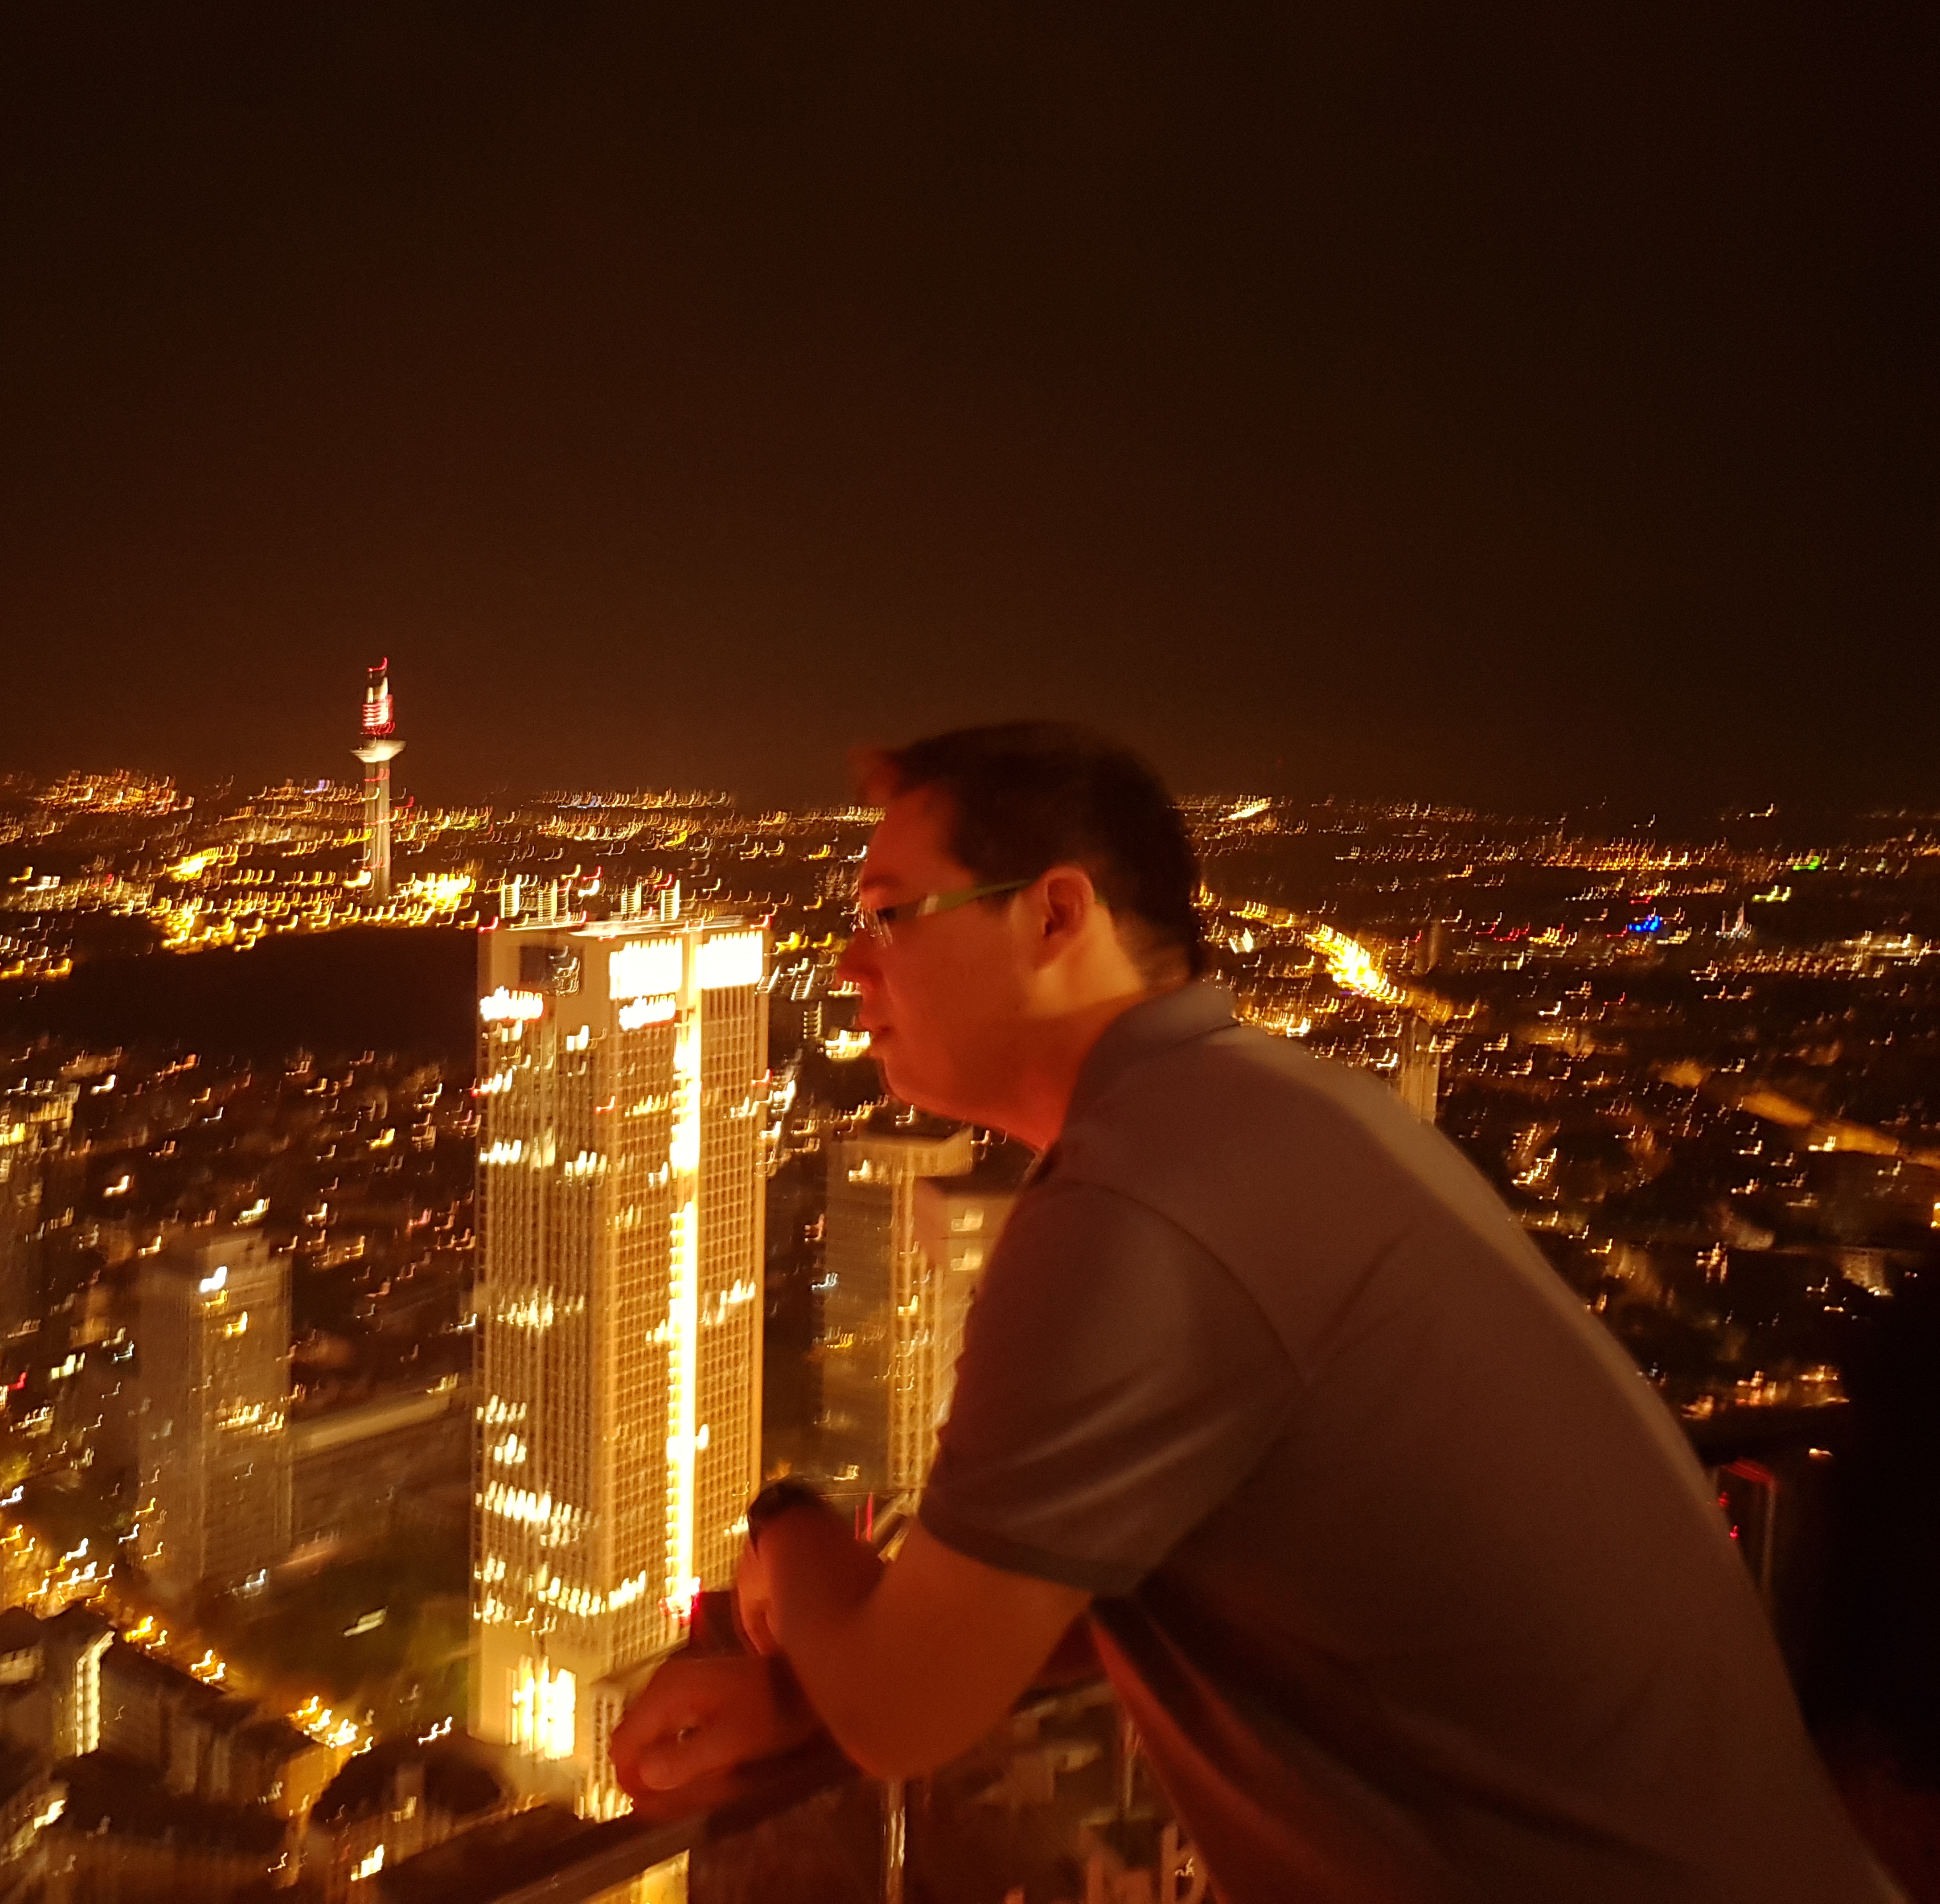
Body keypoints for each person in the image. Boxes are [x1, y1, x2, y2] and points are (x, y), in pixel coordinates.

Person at [609, 723, 1894, 1902]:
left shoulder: (1138, 1203)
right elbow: (1170, 1581)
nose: (848, 959)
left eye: (890, 915)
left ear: (1056, 915)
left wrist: (786, 1539)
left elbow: (904, 1713)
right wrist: (808, 1693)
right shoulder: (1282, 1110)